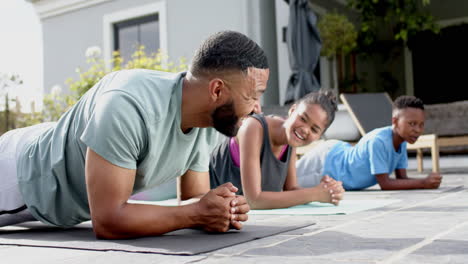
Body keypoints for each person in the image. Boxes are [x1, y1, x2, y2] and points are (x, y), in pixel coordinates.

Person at [0, 30, 270, 238]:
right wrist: (197, 213)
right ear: (217, 90)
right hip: (21, 176)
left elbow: (193, 199)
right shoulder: (125, 105)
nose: (258, 108)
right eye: (252, 96)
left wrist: (221, 208)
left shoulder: (209, 120)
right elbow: (108, 220)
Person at [209, 90, 345, 210]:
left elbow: (291, 189)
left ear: (319, 136)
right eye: (303, 118)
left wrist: (327, 191)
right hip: (206, 202)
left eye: (314, 129)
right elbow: (253, 200)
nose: (304, 129)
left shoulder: (290, 140)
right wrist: (315, 194)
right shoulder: (254, 127)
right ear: (292, 110)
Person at [296, 95, 443, 191]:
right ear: (395, 121)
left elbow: (401, 180)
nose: (417, 130)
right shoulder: (378, 141)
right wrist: (423, 183)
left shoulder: (402, 142)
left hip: (335, 159)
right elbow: (385, 184)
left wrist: (426, 182)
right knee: (282, 183)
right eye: (412, 124)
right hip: (326, 163)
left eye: (421, 124)